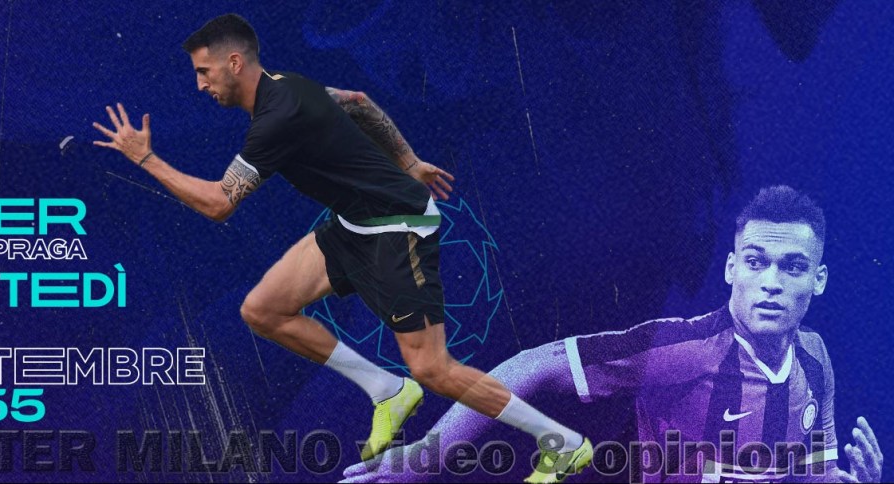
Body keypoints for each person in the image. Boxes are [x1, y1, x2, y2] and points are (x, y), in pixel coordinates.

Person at [92, 13, 590, 481]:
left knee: (433, 368)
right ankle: (387, 390)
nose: (201, 85)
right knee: (264, 310)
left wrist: (146, 159)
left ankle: (565, 443)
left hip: (397, 232)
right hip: (354, 225)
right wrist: (410, 161)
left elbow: (219, 204)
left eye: (204, 72)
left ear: (235, 63)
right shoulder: (287, 84)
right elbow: (356, 101)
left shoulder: (274, 121)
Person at [343, 185, 883, 483]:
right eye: (756, 261)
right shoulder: (683, 350)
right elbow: (536, 364)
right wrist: (427, 457)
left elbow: (812, 474)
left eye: (792, 267)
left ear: (818, 280)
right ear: (730, 269)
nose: (771, 283)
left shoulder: (815, 359)